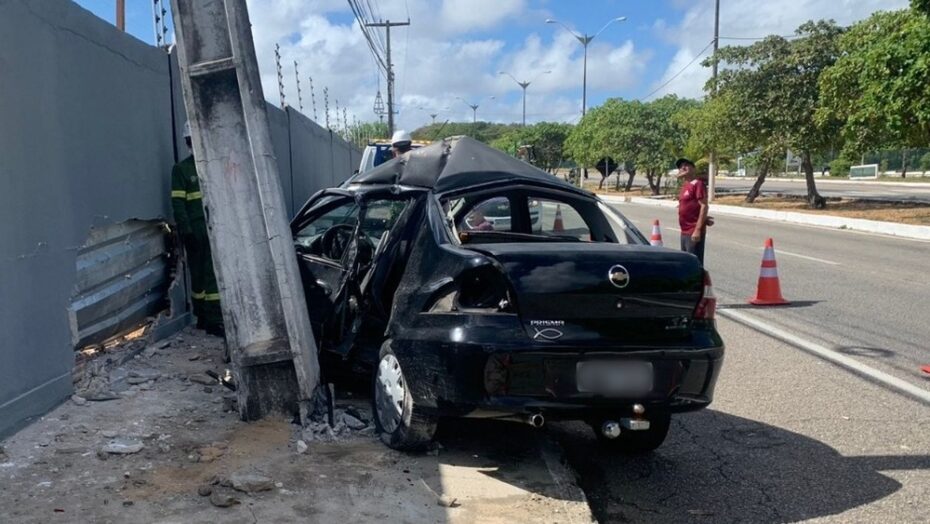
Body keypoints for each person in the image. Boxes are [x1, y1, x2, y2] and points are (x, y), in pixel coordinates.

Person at [171, 122, 224, 337]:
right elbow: (178, 203)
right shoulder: (181, 169)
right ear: (188, 142)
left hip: (212, 228)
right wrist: (185, 230)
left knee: (211, 274)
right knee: (198, 276)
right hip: (195, 230)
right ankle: (202, 315)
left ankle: (212, 318)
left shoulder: (211, 167)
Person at [676, 158, 710, 264]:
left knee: (694, 263)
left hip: (693, 231)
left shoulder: (698, 184)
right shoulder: (686, 185)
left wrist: (698, 229)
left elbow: (704, 206)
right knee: (686, 261)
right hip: (684, 231)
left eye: (686, 165)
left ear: (693, 168)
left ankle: (699, 281)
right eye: (681, 167)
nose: (683, 168)